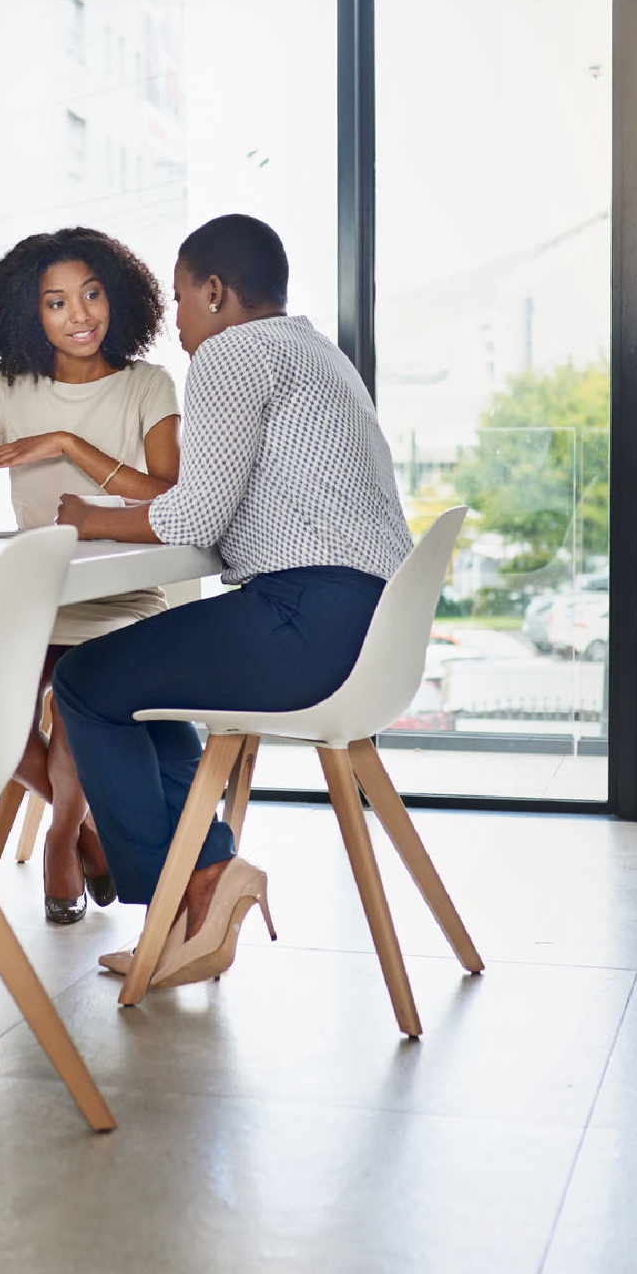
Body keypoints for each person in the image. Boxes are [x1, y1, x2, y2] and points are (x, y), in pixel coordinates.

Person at [52, 213, 413, 987]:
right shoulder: (319, 354)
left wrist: (89, 516)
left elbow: (193, 516)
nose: (177, 324)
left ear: (214, 292)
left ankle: (188, 892)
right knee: (146, 689)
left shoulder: (230, 354)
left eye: (181, 299)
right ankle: (208, 870)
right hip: (368, 628)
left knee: (82, 681)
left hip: (308, 621)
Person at [0, 226, 180, 923]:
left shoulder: (147, 385)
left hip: (120, 605)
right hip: (34, 603)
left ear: (118, 297)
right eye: (57, 302)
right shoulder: (6, 389)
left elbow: (173, 494)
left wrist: (68, 444)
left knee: (71, 702)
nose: (80, 314)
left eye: (91, 294)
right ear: (27, 315)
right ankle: (88, 836)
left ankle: (62, 838)